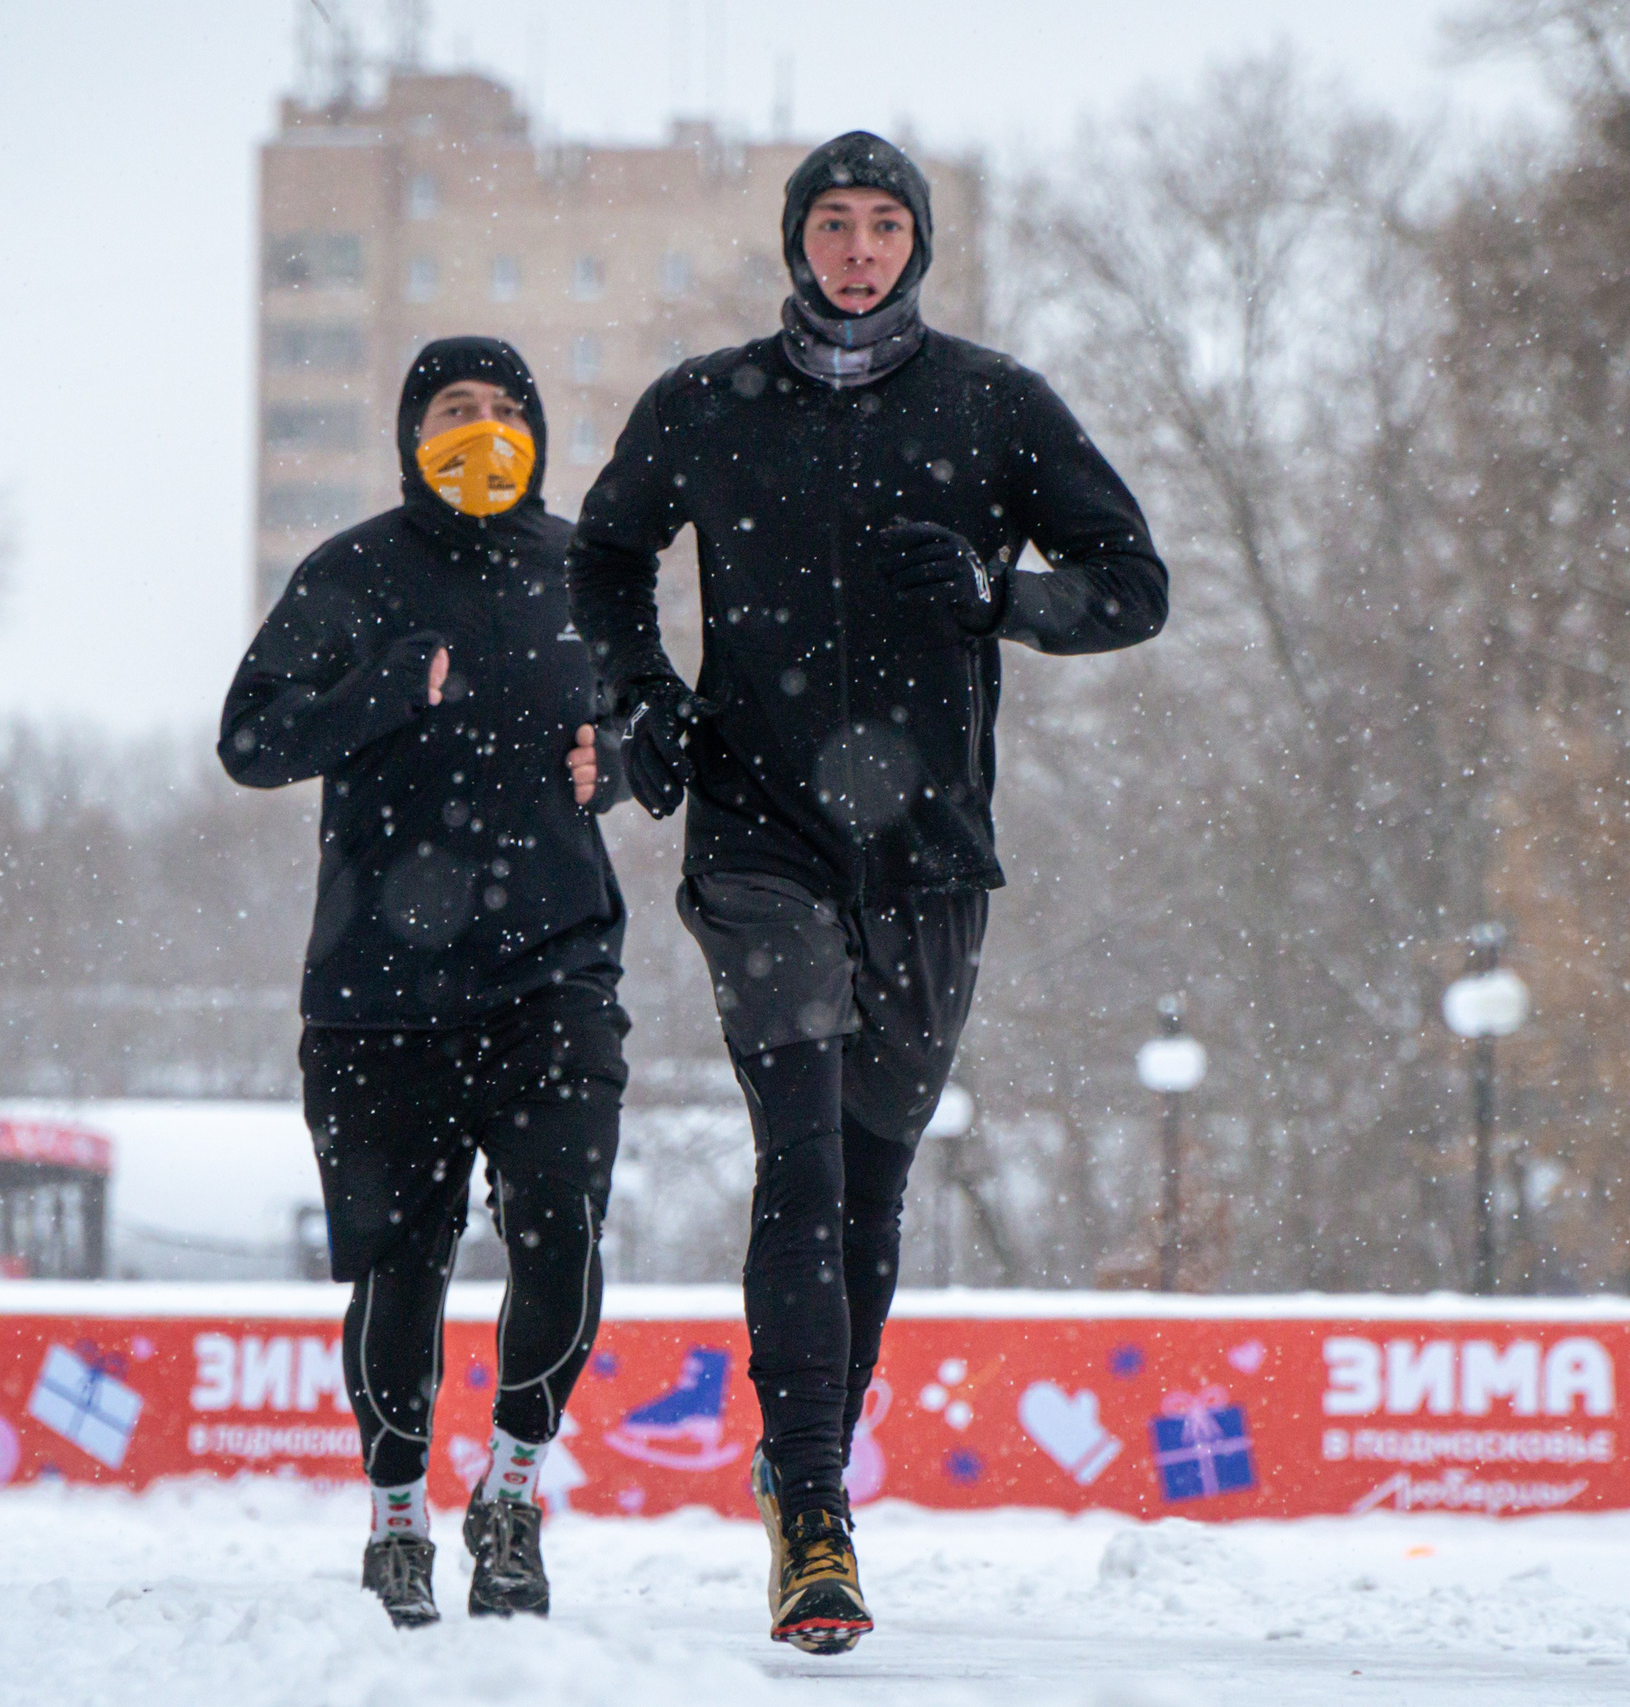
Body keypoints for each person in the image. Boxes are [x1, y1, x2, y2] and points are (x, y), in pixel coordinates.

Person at [567, 132, 1168, 1653]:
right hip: (758, 838)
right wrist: (642, 691)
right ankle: (819, 1508)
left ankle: (802, 1460)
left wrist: (999, 597)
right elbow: (605, 557)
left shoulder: (994, 404)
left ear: (916, 245)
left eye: (882, 224)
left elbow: (1133, 585)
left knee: (870, 1186)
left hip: (931, 855)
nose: (855, 249)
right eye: (830, 223)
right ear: (795, 240)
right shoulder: (706, 403)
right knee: (803, 1160)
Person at [221, 337, 629, 1630]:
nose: (484, 429)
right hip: (380, 992)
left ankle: (512, 1491)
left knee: (562, 1226)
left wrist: (621, 759)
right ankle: (397, 1515)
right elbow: (249, 739)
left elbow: (667, 725)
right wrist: (379, 691)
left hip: (555, 970)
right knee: (403, 1268)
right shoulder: (351, 574)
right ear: (412, 433)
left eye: (507, 409)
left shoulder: (587, 569)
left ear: (539, 433)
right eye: (456, 409)